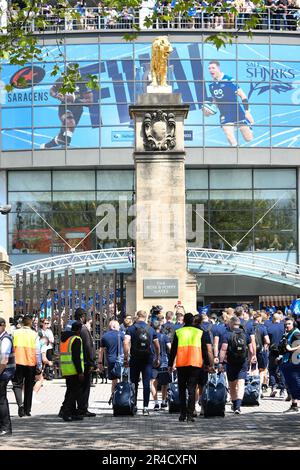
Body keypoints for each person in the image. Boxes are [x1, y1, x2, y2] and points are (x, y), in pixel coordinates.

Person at [169, 312, 214, 422]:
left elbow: (173, 350)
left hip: (181, 363)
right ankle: (190, 415)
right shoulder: (199, 332)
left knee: (181, 389)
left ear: (184, 320)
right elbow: (204, 349)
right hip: (195, 363)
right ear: (193, 320)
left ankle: (182, 414)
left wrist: (170, 364)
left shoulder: (179, 332)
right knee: (192, 389)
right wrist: (208, 364)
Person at [40, 64, 93, 149]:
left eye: (76, 73)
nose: (75, 76)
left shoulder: (82, 83)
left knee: (63, 136)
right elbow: (52, 90)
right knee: (70, 122)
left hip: (77, 110)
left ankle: (48, 145)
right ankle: (66, 148)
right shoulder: (61, 80)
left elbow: (90, 102)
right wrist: (57, 95)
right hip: (64, 107)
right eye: (72, 73)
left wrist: (74, 99)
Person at [205, 60, 254, 146]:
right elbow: (215, 101)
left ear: (218, 69)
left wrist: (247, 112)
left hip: (237, 112)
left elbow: (243, 96)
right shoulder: (211, 85)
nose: (211, 70)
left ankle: (248, 127)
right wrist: (210, 110)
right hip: (225, 114)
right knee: (228, 134)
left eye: (213, 68)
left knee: (248, 138)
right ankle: (236, 150)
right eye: (209, 68)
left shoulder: (229, 80)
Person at [123, 310, 160, 416]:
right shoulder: (151, 329)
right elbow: (156, 345)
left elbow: (125, 342)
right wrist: (157, 357)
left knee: (133, 383)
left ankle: (134, 405)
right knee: (146, 383)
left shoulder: (130, 329)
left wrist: (126, 357)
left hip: (135, 358)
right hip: (147, 359)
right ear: (146, 316)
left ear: (137, 316)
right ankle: (145, 407)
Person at [219, 316, 255, 414]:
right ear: (239, 324)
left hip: (230, 362)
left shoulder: (226, 334)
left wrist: (221, 363)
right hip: (242, 362)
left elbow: (223, 349)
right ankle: (238, 407)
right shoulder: (245, 334)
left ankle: (234, 404)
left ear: (231, 324)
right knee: (241, 383)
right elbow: (251, 349)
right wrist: (250, 359)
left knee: (232, 385)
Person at [12, 315, 42, 418]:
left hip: (17, 362)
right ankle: (27, 409)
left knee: (17, 385)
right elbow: (37, 352)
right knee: (29, 387)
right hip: (30, 363)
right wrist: (39, 365)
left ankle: (20, 405)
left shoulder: (15, 333)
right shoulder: (34, 335)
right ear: (30, 323)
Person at [59, 321, 85, 422]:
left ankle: (73, 413)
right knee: (72, 393)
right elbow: (76, 357)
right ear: (78, 330)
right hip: (74, 369)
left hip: (66, 369)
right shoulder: (76, 339)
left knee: (70, 391)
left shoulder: (64, 339)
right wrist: (80, 372)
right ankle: (65, 412)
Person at [73, 308, 96, 417]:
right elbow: (88, 346)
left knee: (78, 387)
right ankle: (83, 408)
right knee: (85, 387)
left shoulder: (73, 327)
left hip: (77, 361)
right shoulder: (83, 329)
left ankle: (79, 407)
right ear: (82, 316)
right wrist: (91, 362)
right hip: (85, 362)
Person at [279, 317, 300, 412]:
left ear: (293, 324)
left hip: (295, 361)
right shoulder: (289, 333)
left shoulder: (296, 333)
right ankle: (294, 404)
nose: (287, 326)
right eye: (286, 324)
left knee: (294, 383)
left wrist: (290, 349)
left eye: (289, 324)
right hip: (289, 360)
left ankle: (295, 405)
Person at [98, 320, 124, 396]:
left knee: (113, 381)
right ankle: (122, 398)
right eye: (118, 326)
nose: (119, 327)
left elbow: (101, 350)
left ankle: (114, 398)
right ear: (114, 326)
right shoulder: (122, 335)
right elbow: (127, 346)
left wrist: (100, 363)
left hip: (110, 360)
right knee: (122, 379)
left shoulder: (104, 336)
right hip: (121, 360)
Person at [150, 320, 171, 411]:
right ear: (160, 327)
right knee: (164, 383)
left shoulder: (149, 336)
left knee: (153, 382)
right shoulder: (164, 337)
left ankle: (156, 403)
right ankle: (163, 402)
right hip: (164, 362)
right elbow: (170, 348)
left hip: (152, 362)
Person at [0, 318, 15, 436]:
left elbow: (4, 361)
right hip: (3, 373)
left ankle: (6, 427)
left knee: (1, 401)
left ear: (3, 326)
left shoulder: (5, 339)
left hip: (3, 373)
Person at [251, 312, 270, 397]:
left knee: (252, 369)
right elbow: (267, 340)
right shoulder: (263, 328)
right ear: (259, 319)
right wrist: (266, 345)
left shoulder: (249, 327)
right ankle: (260, 389)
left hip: (250, 351)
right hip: (261, 351)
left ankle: (251, 387)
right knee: (262, 370)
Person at [267, 313, 286, 397]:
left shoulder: (269, 328)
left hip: (273, 351)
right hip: (283, 351)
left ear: (273, 319)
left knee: (272, 369)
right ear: (280, 318)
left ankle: (273, 387)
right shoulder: (284, 327)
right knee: (282, 370)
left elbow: (267, 341)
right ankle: (282, 390)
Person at [32, 334, 53, 404]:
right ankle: (32, 397)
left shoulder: (34, 343)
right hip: (37, 365)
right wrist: (49, 362)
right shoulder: (43, 346)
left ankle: (26, 397)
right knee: (40, 380)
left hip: (30, 363)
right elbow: (44, 359)